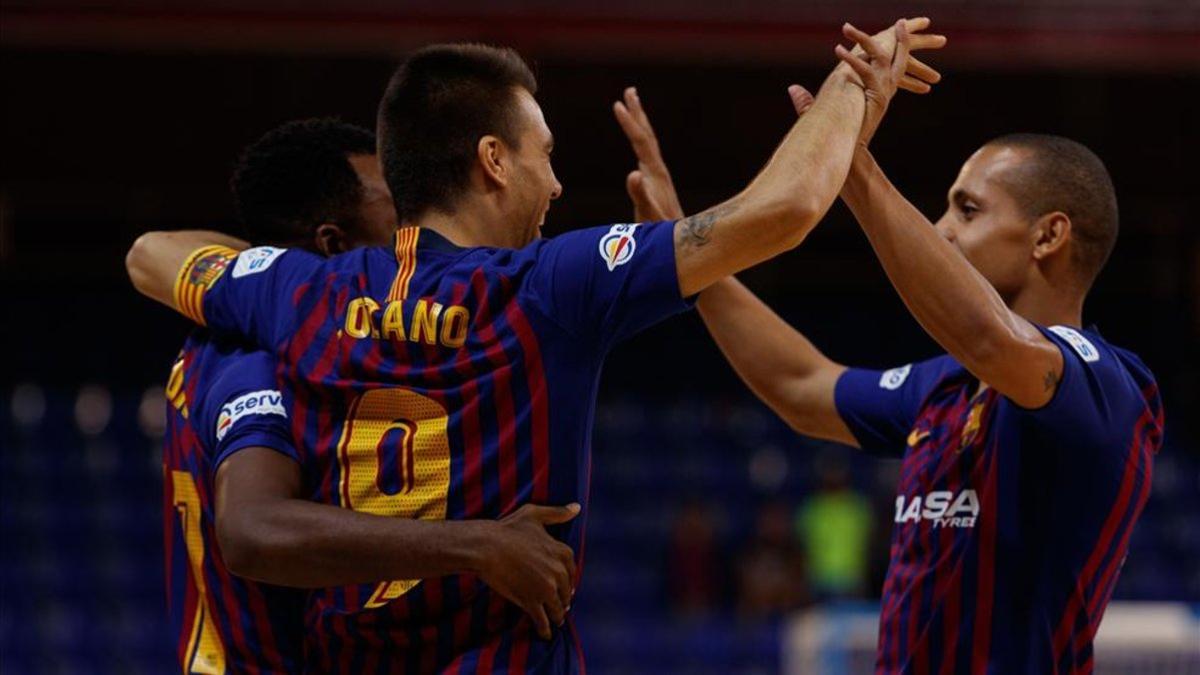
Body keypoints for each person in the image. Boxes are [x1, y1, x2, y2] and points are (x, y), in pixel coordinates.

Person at [128, 23, 943, 672]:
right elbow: (785, 209)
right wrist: (852, 87)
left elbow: (147, 254)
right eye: (545, 154)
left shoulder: (304, 291)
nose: (556, 183)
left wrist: (262, 269)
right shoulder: (545, 284)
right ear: (493, 161)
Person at [617, 45, 1163, 674]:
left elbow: (989, 336)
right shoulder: (947, 387)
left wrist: (850, 163)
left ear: (1048, 235)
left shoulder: (1108, 382)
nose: (942, 228)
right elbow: (800, 385)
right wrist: (689, 256)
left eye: (968, 209)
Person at [161, 118, 579, 673]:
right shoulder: (261, 361)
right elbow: (251, 529)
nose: (417, 225)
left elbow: (149, 253)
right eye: (398, 209)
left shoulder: (254, 325)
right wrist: (479, 545)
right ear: (333, 244)